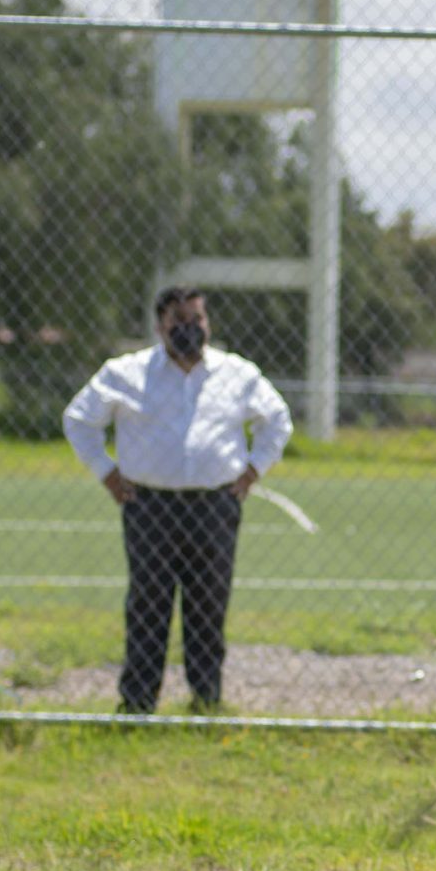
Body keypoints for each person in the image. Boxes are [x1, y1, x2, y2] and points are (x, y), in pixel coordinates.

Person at [62, 287, 292, 713]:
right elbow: (79, 419)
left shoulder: (237, 374)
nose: (190, 329)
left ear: (209, 323)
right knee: (148, 605)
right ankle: (137, 704)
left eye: (197, 320)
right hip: (148, 506)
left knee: (209, 604)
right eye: (178, 322)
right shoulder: (125, 373)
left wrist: (253, 470)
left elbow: (277, 421)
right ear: (159, 327)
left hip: (215, 507)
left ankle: (206, 700)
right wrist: (107, 473)